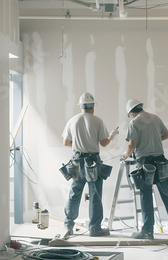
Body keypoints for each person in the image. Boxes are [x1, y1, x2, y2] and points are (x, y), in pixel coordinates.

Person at [122, 99, 168, 240]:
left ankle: (147, 231)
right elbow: (167, 135)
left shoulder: (134, 123)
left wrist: (125, 155)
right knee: (167, 194)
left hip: (145, 162)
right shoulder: (155, 118)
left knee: (146, 195)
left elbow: (131, 145)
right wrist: (153, 139)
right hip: (160, 159)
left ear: (131, 113)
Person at [62, 92, 118, 237]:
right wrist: (112, 135)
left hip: (76, 161)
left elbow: (66, 142)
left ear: (80, 106)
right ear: (93, 107)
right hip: (93, 161)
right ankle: (95, 228)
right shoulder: (97, 121)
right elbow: (104, 143)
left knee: (74, 193)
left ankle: (68, 225)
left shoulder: (72, 120)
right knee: (95, 195)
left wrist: (79, 147)